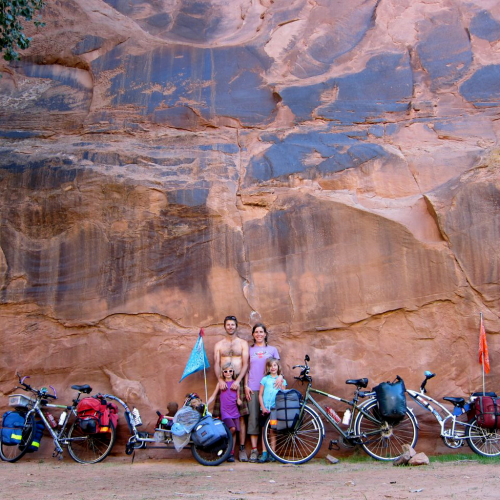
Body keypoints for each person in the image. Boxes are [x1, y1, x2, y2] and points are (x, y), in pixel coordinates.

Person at [244, 323, 283, 463]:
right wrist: (245, 386)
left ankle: (270, 451)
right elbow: (246, 369)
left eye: (261, 332)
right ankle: (255, 450)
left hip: (270, 389)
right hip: (254, 388)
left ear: (265, 334)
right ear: (253, 334)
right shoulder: (249, 350)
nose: (259, 334)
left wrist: (280, 376)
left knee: (272, 422)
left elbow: (278, 367)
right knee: (254, 419)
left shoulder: (272, 350)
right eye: (256, 332)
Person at [213, 315, 249, 461]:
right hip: (224, 384)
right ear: (224, 326)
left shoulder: (243, 344)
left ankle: (241, 449)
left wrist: (239, 381)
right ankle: (228, 449)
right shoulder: (219, 345)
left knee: (240, 418)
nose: (230, 327)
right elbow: (216, 363)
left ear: (236, 326)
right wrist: (220, 380)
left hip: (237, 383)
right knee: (224, 416)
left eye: (233, 324)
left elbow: (246, 364)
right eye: (228, 324)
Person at [207, 362, 241, 462]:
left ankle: (231, 452)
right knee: (232, 429)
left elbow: (238, 395)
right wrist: (207, 403)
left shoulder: (236, 384)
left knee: (235, 432)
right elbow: (213, 396)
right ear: (223, 372)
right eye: (226, 371)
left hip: (234, 410)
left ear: (233, 371)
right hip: (225, 411)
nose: (228, 373)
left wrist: (239, 400)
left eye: (230, 371)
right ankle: (224, 444)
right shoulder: (221, 384)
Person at [258, 357, 287, 463]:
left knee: (272, 431)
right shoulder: (265, 379)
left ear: (278, 367)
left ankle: (273, 453)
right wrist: (263, 407)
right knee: (263, 431)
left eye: (274, 365)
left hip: (275, 411)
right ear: (267, 368)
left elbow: (283, 395)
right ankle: (264, 453)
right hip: (265, 410)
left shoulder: (282, 380)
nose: (273, 368)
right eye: (270, 366)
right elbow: (260, 395)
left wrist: (281, 379)